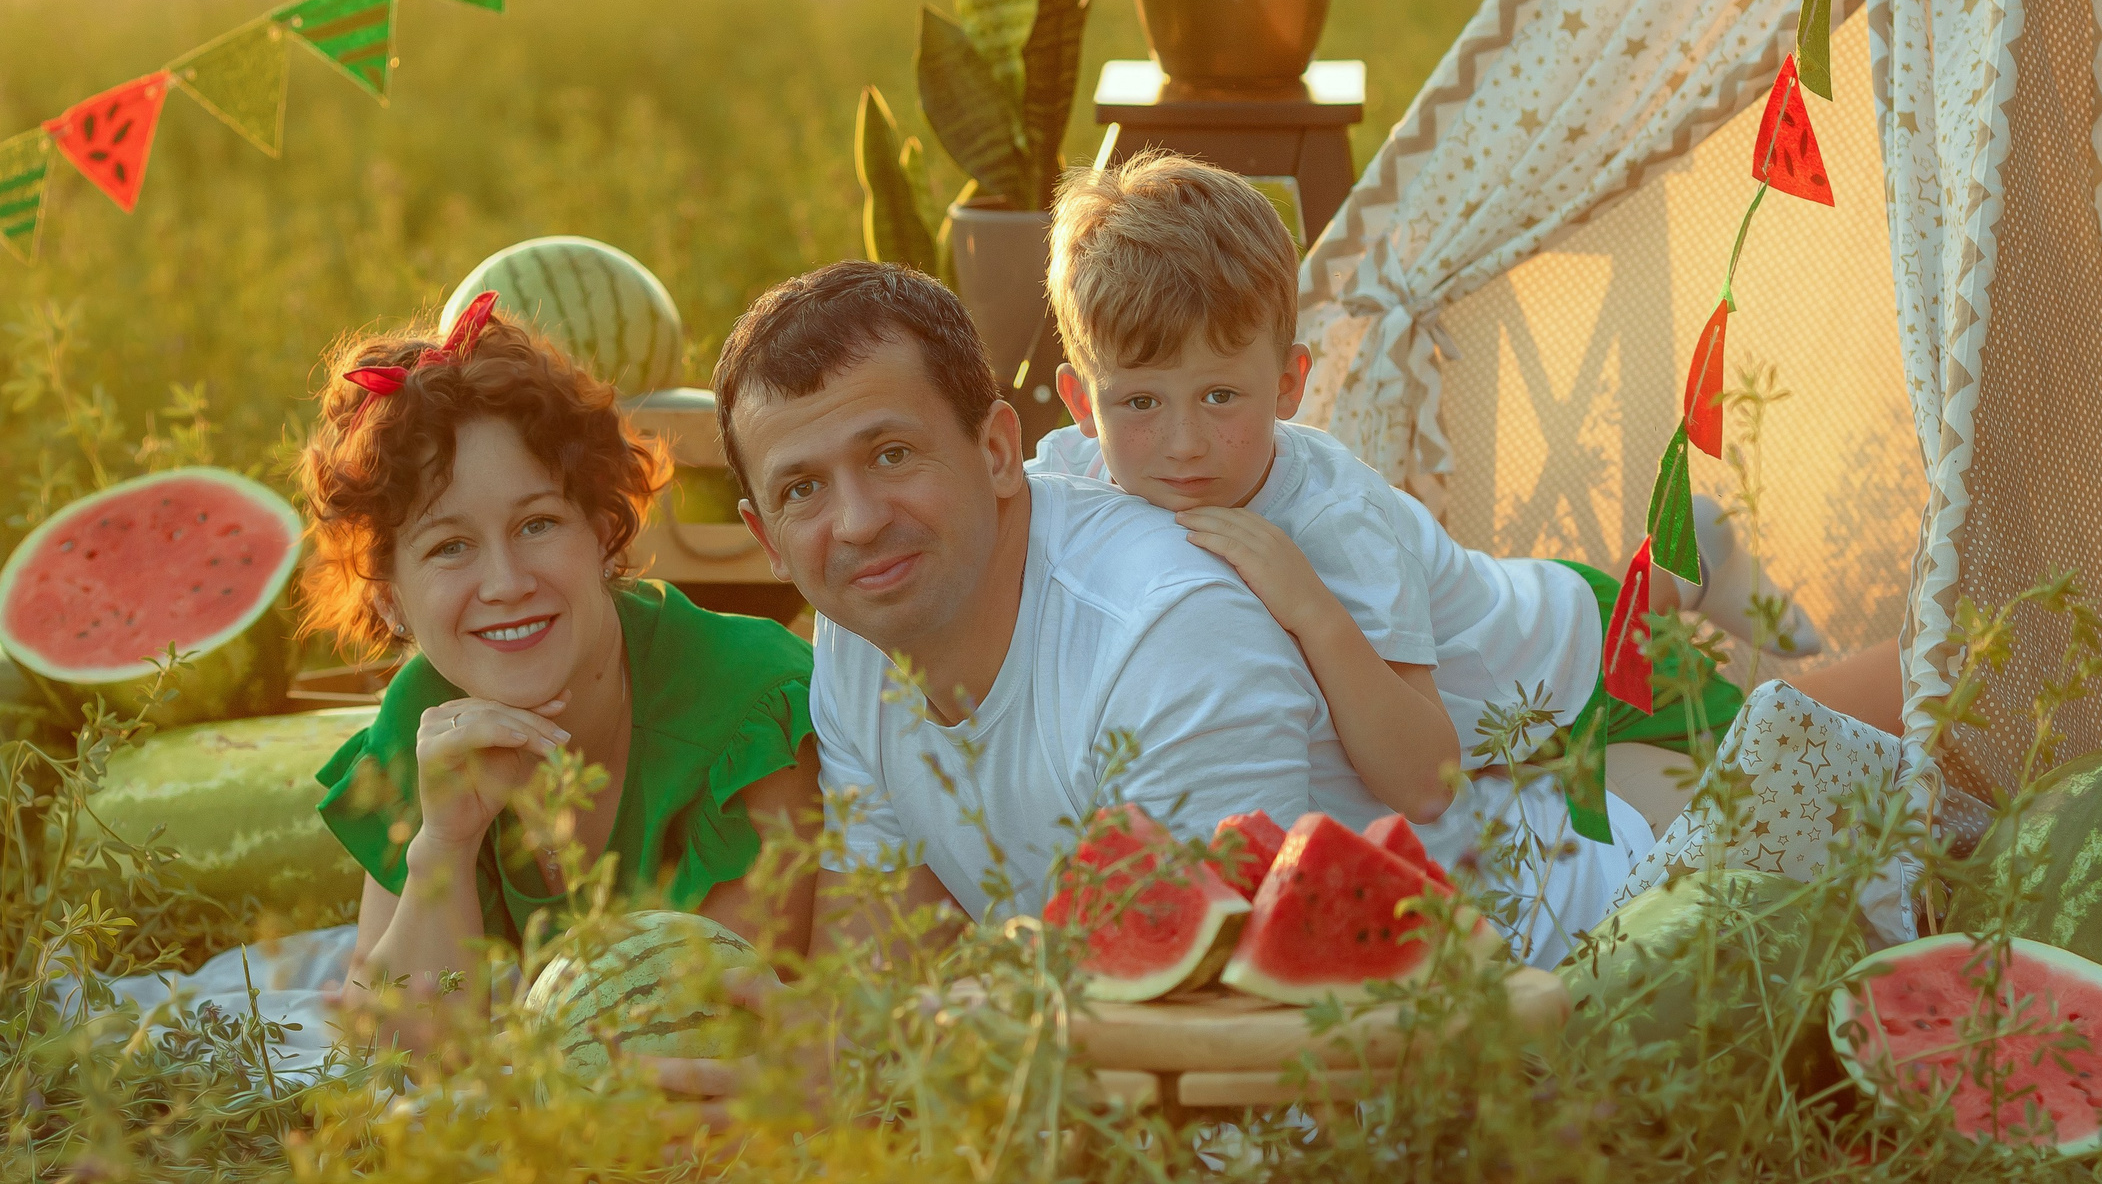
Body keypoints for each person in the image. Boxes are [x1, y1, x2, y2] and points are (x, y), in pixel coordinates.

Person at [1028, 156, 1906, 961]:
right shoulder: (1076, 469)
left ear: (1293, 382)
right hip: (1507, 708)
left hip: (1577, 670)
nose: (1183, 444)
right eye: (1138, 401)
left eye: (1222, 395)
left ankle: (1945, 643)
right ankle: (1685, 561)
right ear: (1077, 399)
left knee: (1802, 747)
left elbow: (1427, 775)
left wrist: (1310, 608)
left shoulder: (1336, 526)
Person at [713, 262, 1330, 947]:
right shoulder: (854, 635)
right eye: (802, 490)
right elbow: (878, 965)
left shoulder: (1170, 632)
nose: (857, 523)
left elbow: (1215, 998)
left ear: (1001, 450)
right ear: (767, 537)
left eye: (892, 455)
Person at [303, 295, 821, 1049]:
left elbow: (698, 1033)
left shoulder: (751, 706)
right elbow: (403, 1053)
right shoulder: (424, 711)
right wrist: (443, 844)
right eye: (450, 546)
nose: (506, 581)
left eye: (537, 524)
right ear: (390, 598)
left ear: (605, 533)